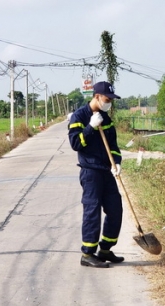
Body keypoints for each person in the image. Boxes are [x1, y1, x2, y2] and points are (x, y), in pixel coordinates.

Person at [68, 81, 124, 268]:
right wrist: (90, 127)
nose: (109, 103)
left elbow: (113, 146)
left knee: (115, 209)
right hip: (90, 172)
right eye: (107, 99)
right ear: (97, 96)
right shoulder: (79, 116)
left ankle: (105, 249)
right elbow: (76, 143)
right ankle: (88, 254)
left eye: (111, 100)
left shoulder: (106, 118)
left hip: (106, 171)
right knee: (92, 212)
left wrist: (116, 163)